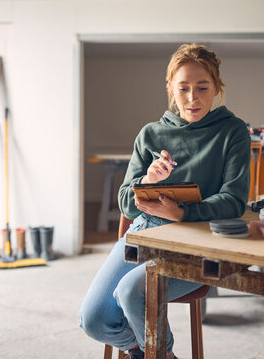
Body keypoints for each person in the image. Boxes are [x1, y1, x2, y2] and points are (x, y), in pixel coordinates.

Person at [79, 43, 250, 359]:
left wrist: (181, 212)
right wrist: (147, 182)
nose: (192, 98)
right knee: (93, 320)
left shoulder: (233, 131)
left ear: (217, 89)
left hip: (199, 242)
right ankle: (155, 355)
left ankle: (158, 353)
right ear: (171, 88)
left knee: (133, 292)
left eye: (202, 87)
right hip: (144, 233)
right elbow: (125, 204)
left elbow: (235, 201)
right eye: (183, 88)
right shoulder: (150, 134)